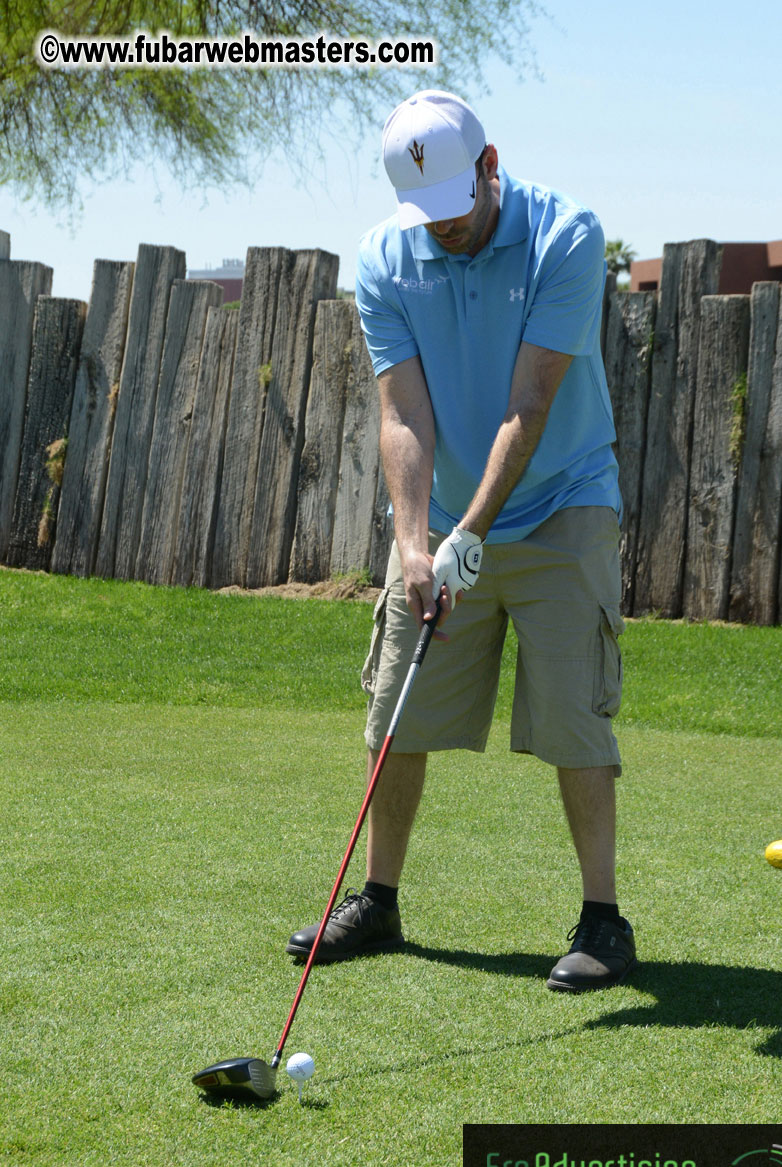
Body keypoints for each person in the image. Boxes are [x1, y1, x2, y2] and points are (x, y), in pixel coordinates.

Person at [287, 89, 635, 992]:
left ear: (489, 167)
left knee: (572, 711)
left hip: (562, 497)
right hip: (440, 514)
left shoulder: (565, 235)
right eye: (423, 216)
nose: (440, 230)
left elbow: (531, 403)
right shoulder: (386, 255)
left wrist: (471, 533)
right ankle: (378, 900)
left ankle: (603, 918)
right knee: (398, 702)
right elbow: (402, 409)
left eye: (453, 210)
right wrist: (414, 542)